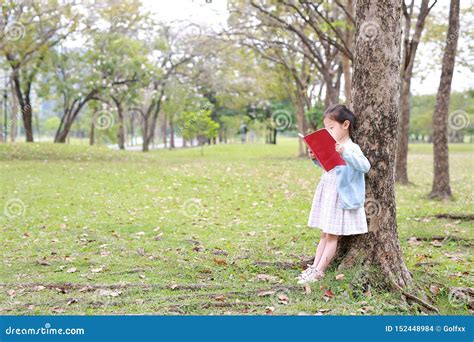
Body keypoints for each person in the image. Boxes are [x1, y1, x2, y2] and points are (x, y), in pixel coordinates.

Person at [297, 104, 371, 285]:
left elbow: (365, 166)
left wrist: (345, 153)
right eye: (327, 129)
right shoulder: (335, 146)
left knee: (332, 236)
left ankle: (319, 271)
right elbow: (330, 167)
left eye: (331, 128)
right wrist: (316, 159)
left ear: (345, 125)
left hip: (341, 197)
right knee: (324, 234)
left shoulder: (350, 147)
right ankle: (314, 267)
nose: (329, 132)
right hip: (329, 192)